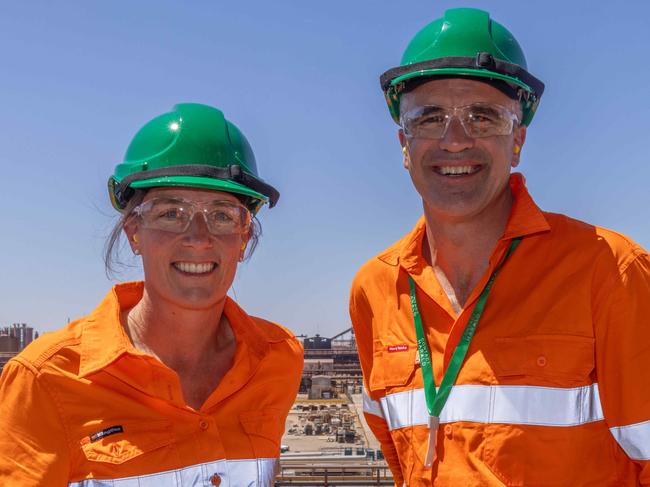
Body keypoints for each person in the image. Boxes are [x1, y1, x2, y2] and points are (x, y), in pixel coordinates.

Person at [350, 8, 650, 486]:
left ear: (518, 140)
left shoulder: (609, 270)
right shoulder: (376, 289)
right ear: (403, 144)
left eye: (483, 117)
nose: (455, 140)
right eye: (429, 118)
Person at [0, 103, 303, 486]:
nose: (197, 238)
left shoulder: (278, 360)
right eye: (170, 213)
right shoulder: (45, 382)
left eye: (222, 214)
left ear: (244, 238)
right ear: (133, 231)